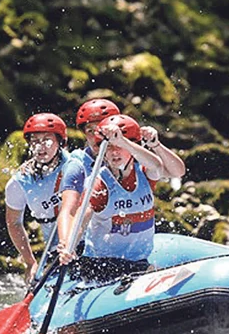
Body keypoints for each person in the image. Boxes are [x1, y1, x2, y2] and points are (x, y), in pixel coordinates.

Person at [58, 114, 164, 280]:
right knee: (151, 271)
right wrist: (69, 246)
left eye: (119, 147)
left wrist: (122, 141)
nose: (114, 152)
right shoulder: (99, 183)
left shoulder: (145, 173)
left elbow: (157, 165)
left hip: (137, 261)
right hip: (102, 264)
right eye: (108, 148)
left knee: (149, 269)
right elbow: (81, 218)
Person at [4, 113, 85, 284]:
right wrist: (30, 262)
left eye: (47, 140)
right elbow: (14, 222)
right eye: (34, 141)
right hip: (57, 251)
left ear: (60, 142)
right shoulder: (19, 182)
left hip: (90, 241)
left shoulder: (76, 163)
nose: (40, 147)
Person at [73, 98, 185, 180]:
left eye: (103, 130)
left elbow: (177, 172)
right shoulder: (77, 161)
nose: (97, 136)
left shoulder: (134, 156)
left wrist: (156, 145)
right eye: (90, 131)